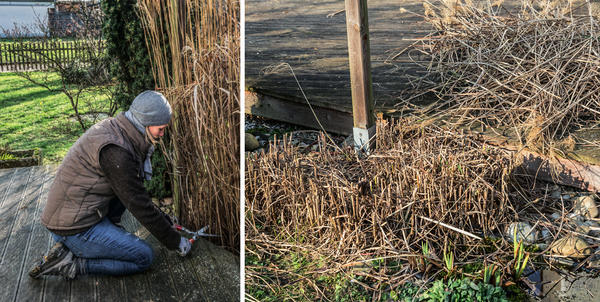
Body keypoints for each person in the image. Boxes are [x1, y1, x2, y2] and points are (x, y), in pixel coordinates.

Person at [29, 90, 191, 280]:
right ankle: (72, 263)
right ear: (144, 122)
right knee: (144, 257)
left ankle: (94, 243)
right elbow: (138, 205)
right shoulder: (116, 152)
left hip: (77, 215)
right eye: (160, 128)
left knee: (127, 186)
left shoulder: (117, 129)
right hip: (74, 229)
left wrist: (166, 222)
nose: (163, 134)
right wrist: (175, 241)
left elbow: (133, 192)